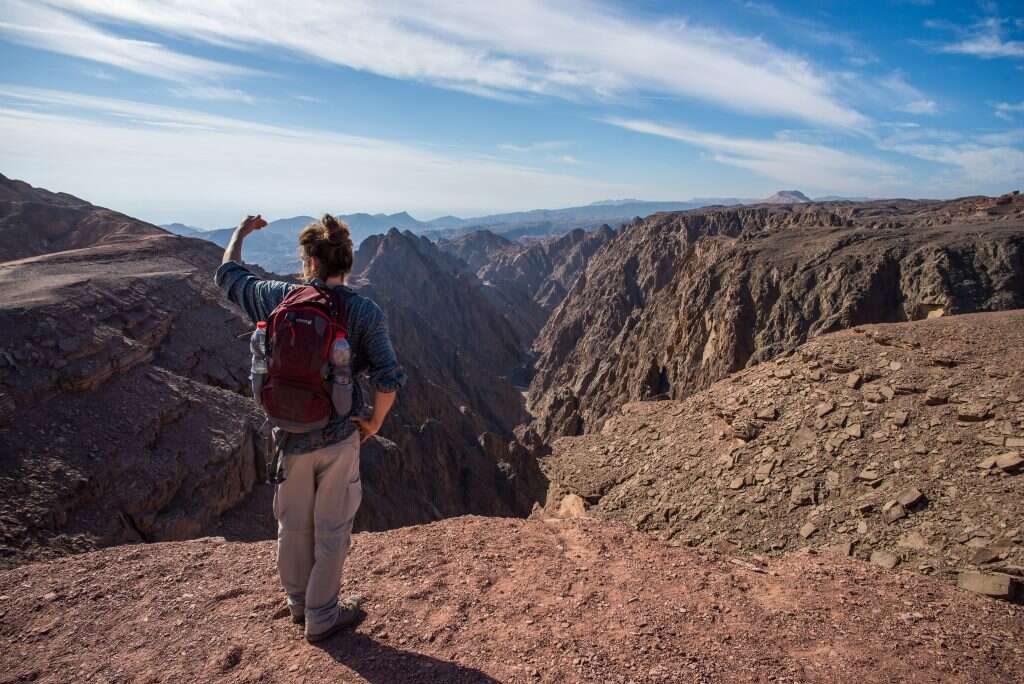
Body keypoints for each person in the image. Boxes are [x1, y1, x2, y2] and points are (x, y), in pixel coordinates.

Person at [215, 213, 406, 643]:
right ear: (347, 262)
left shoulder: (279, 298)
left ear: (309, 262)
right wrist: (373, 422)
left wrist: (240, 233)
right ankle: (323, 616)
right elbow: (389, 377)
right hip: (339, 438)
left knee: (293, 525)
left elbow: (227, 275)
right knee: (332, 530)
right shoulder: (363, 311)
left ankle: (298, 605)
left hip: (289, 438)